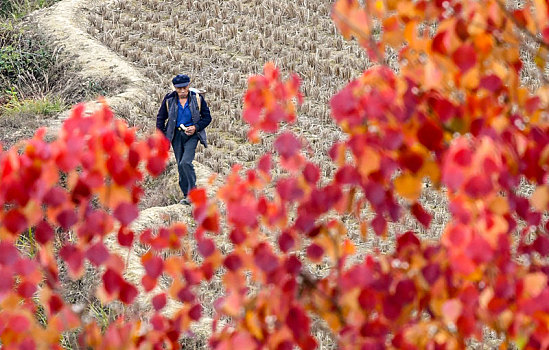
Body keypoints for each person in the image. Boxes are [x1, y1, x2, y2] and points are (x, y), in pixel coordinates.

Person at [156, 74, 211, 205]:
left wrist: (196, 127)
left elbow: (207, 118)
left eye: (184, 88)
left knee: (186, 162)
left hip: (192, 136)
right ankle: (187, 195)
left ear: (189, 86)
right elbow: (160, 118)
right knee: (180, 165)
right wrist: (163, 136)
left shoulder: (197, 99)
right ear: (174, 88)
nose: (182, 91)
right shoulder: (169, 99)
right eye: (179, 88)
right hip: (176, 136)